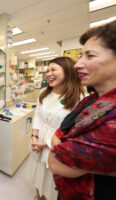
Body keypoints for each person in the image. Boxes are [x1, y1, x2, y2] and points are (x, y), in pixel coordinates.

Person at [48, 20, 116, 200]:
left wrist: (59, 141)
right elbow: (62, 129)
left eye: (90, 56)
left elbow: (57, 161)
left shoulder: (110, 119)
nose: (78, 64)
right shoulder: (93, 100)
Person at [27, 57, 86, 200]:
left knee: (51, 181)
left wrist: (45, 143)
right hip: (37, 141)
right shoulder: (43, 93)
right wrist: (34, 137)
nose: (48, 74)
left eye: (53, 69)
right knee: (37, 173)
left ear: (68, 71)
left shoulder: (80, 98)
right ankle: (38, 196)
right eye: (47, 70)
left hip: (56, 146)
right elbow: (38, 116)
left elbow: (75, 131)